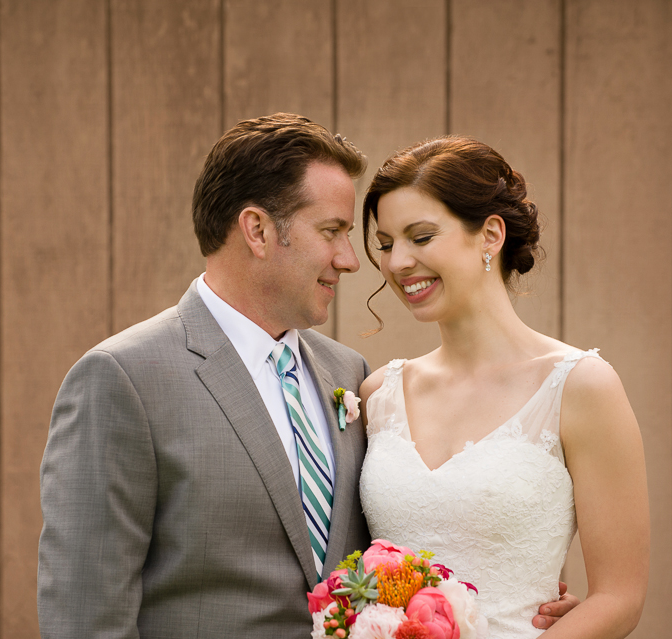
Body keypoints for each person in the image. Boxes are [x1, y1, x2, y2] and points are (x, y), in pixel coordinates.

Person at [37, 114, 576, 639]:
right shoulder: (123, 378)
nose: (352, 260)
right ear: (257, 230)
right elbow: (84, 614)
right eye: (332, 231)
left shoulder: (349, 375)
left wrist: (513, 596)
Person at [357, 136, 650, 638]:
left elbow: (619, 598)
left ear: (490, 234)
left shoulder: (580, 387)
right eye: (385, 244)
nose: (398, 262)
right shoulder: (378, 394)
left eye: (421, 237)